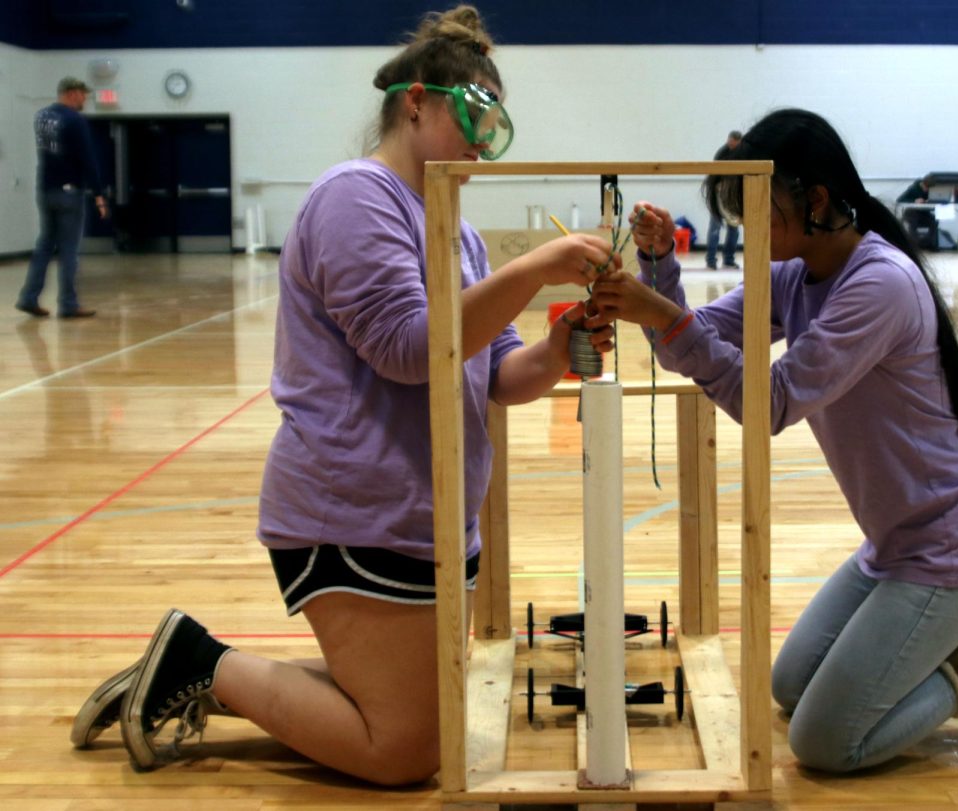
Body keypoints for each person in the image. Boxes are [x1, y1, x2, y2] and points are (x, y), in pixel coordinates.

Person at [70, 5, 617, 785]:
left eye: (493, 131)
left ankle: (201, 674)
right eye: (471, 118)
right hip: (352, 512)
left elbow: (498, 374)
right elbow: (408, 350)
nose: (478, 144)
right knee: (405, 754)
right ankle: (202, 662)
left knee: (421, 722)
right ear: (417, 101)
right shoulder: (354, 197)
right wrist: (534, 267)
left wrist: (560, 348)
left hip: (422, 515)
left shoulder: (453, 227)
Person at [588, 108, 958, 773]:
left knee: (825, 742)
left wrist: (664, 315)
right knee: (788, 686)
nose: (747, 228)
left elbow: (771, 401)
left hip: (951, 548)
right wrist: (656, 266)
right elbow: (690, 341)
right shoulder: (794, 276)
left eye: (760, 209)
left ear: (816, 200)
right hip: (895, 543)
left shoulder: (880, 283)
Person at [16, 77, 107, 319]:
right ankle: (68, 303)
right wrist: (98, 194)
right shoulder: (74, 120)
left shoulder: (42, 117)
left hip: (46, 189)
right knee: (69, 250)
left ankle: (28, 297)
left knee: (45, 245)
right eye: (82, 95)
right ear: (71, 93)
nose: (84, 100)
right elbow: (87, 158)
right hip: (69, 192)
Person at [704, 130, 743, 269]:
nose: (732, 147)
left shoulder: (742, 153)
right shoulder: (722, 153)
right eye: (730, 144)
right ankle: (711, 260)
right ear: (728, 141)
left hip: (733, 193)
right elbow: (714, 176)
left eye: (735, 145)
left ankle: (728, 259)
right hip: (718, 191)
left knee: (734, 227)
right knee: (715, 227)